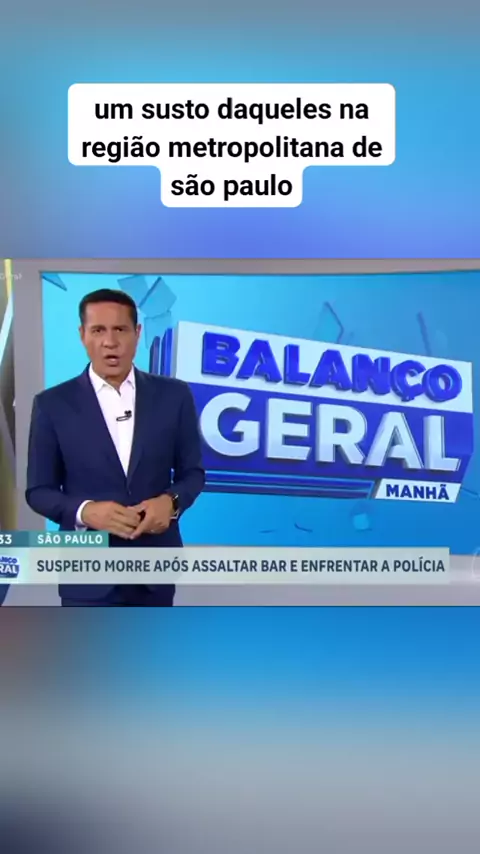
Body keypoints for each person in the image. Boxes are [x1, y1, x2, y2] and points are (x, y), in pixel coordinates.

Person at [25, 288, 205, 607]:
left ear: (137, 333)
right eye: (98, 330)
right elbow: (39, 491)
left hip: (154, 571)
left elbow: (193, 473)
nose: (110, 342)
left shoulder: (174, 396)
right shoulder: (52, 404)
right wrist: (85, 512)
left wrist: (171, 503)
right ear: (82, 335)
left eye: (120, 329)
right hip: (87, 575)